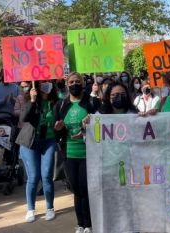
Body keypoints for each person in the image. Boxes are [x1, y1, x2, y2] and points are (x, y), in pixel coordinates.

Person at [54, 72, 99, 233]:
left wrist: (89, 128)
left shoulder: (93, 102)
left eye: (77, 81)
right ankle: (80, 224)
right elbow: (56, 132)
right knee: (76, 189)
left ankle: (89, 224)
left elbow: (102, 125)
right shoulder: (60, 105)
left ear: (83, 84)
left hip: (88, 153)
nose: (74, 84)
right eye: (71, 82)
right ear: (67, 84)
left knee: (85, 188)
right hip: (69, 154)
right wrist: (58, 129)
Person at [20, 81, 59, 223]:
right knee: (33, 176)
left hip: (49, 141)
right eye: (42, 83)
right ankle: (31, 209)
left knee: (47, 175)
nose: (45, 85)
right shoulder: (27, 99)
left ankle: (50, 208)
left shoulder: (56, 102)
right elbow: (25, 118)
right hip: (30, 143)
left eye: (47, 82)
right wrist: (32, 100)